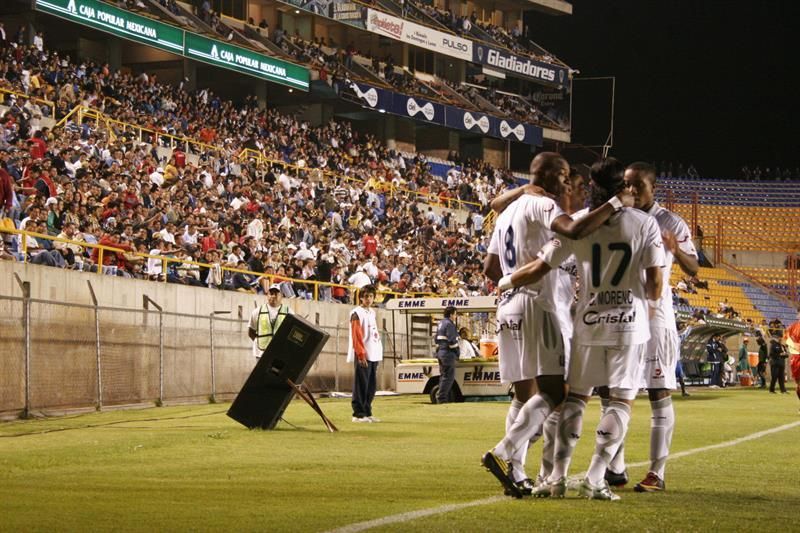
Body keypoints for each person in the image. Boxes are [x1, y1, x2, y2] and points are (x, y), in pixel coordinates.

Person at [496, 157, 665, 501]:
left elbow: (541, 265)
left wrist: (507, 281)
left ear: (592, 187)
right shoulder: (645, 223)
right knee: (620, 402)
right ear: (623, 187)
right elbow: (655, 287)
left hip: (587, 322)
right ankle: (595, 476)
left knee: (575, 400)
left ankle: (556, 477)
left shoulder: (578, 223)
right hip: (628, 324)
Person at [594, 161, 698, 493]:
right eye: (627, 184)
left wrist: (676, 249)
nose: (632, 190)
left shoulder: (670, 222)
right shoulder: (617, 216)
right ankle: (616, 467)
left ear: (654, 187)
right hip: (621, 316)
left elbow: (694, 268)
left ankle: (657, 473)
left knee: (657, 391)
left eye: (638, 185)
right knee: (610, 391)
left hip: (656, 320)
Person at [347, 285, 383, 423]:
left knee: (371, 386)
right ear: (361, 297)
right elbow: (357, 335)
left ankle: (367, 411)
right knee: (361, 384)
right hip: (364, 354)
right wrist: (361, 354)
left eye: (371, 296)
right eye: (366, 296)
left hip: (374, 353)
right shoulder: (356, 313)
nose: (368, 299)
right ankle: (358, 414)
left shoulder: (372, 312)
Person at [248, 284, 293, 360]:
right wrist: (260, 341)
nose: (273, 296)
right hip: (261, 353)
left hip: (280, 354)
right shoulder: (257, 311)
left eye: (276, 294)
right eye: (271, 293)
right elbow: (251, 332)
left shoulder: (289, 312)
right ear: (267, 295)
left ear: (281, 296)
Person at [434, 306, 459, 403]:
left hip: (441, 352)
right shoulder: (449, 324)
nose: (456, 316)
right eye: (455, 314)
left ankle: (440, 397)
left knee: (443, 376)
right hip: (448, 354)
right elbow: (452, 341)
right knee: (448, 377)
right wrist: (457, 352)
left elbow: (436, 339)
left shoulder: (441, 323)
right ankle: (442, 398)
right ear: (451, 314)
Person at [783, 312, 800, 410]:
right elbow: (786, 339)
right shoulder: (792, 327)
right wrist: (793, 345)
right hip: (796, 358)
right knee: (798, 384)